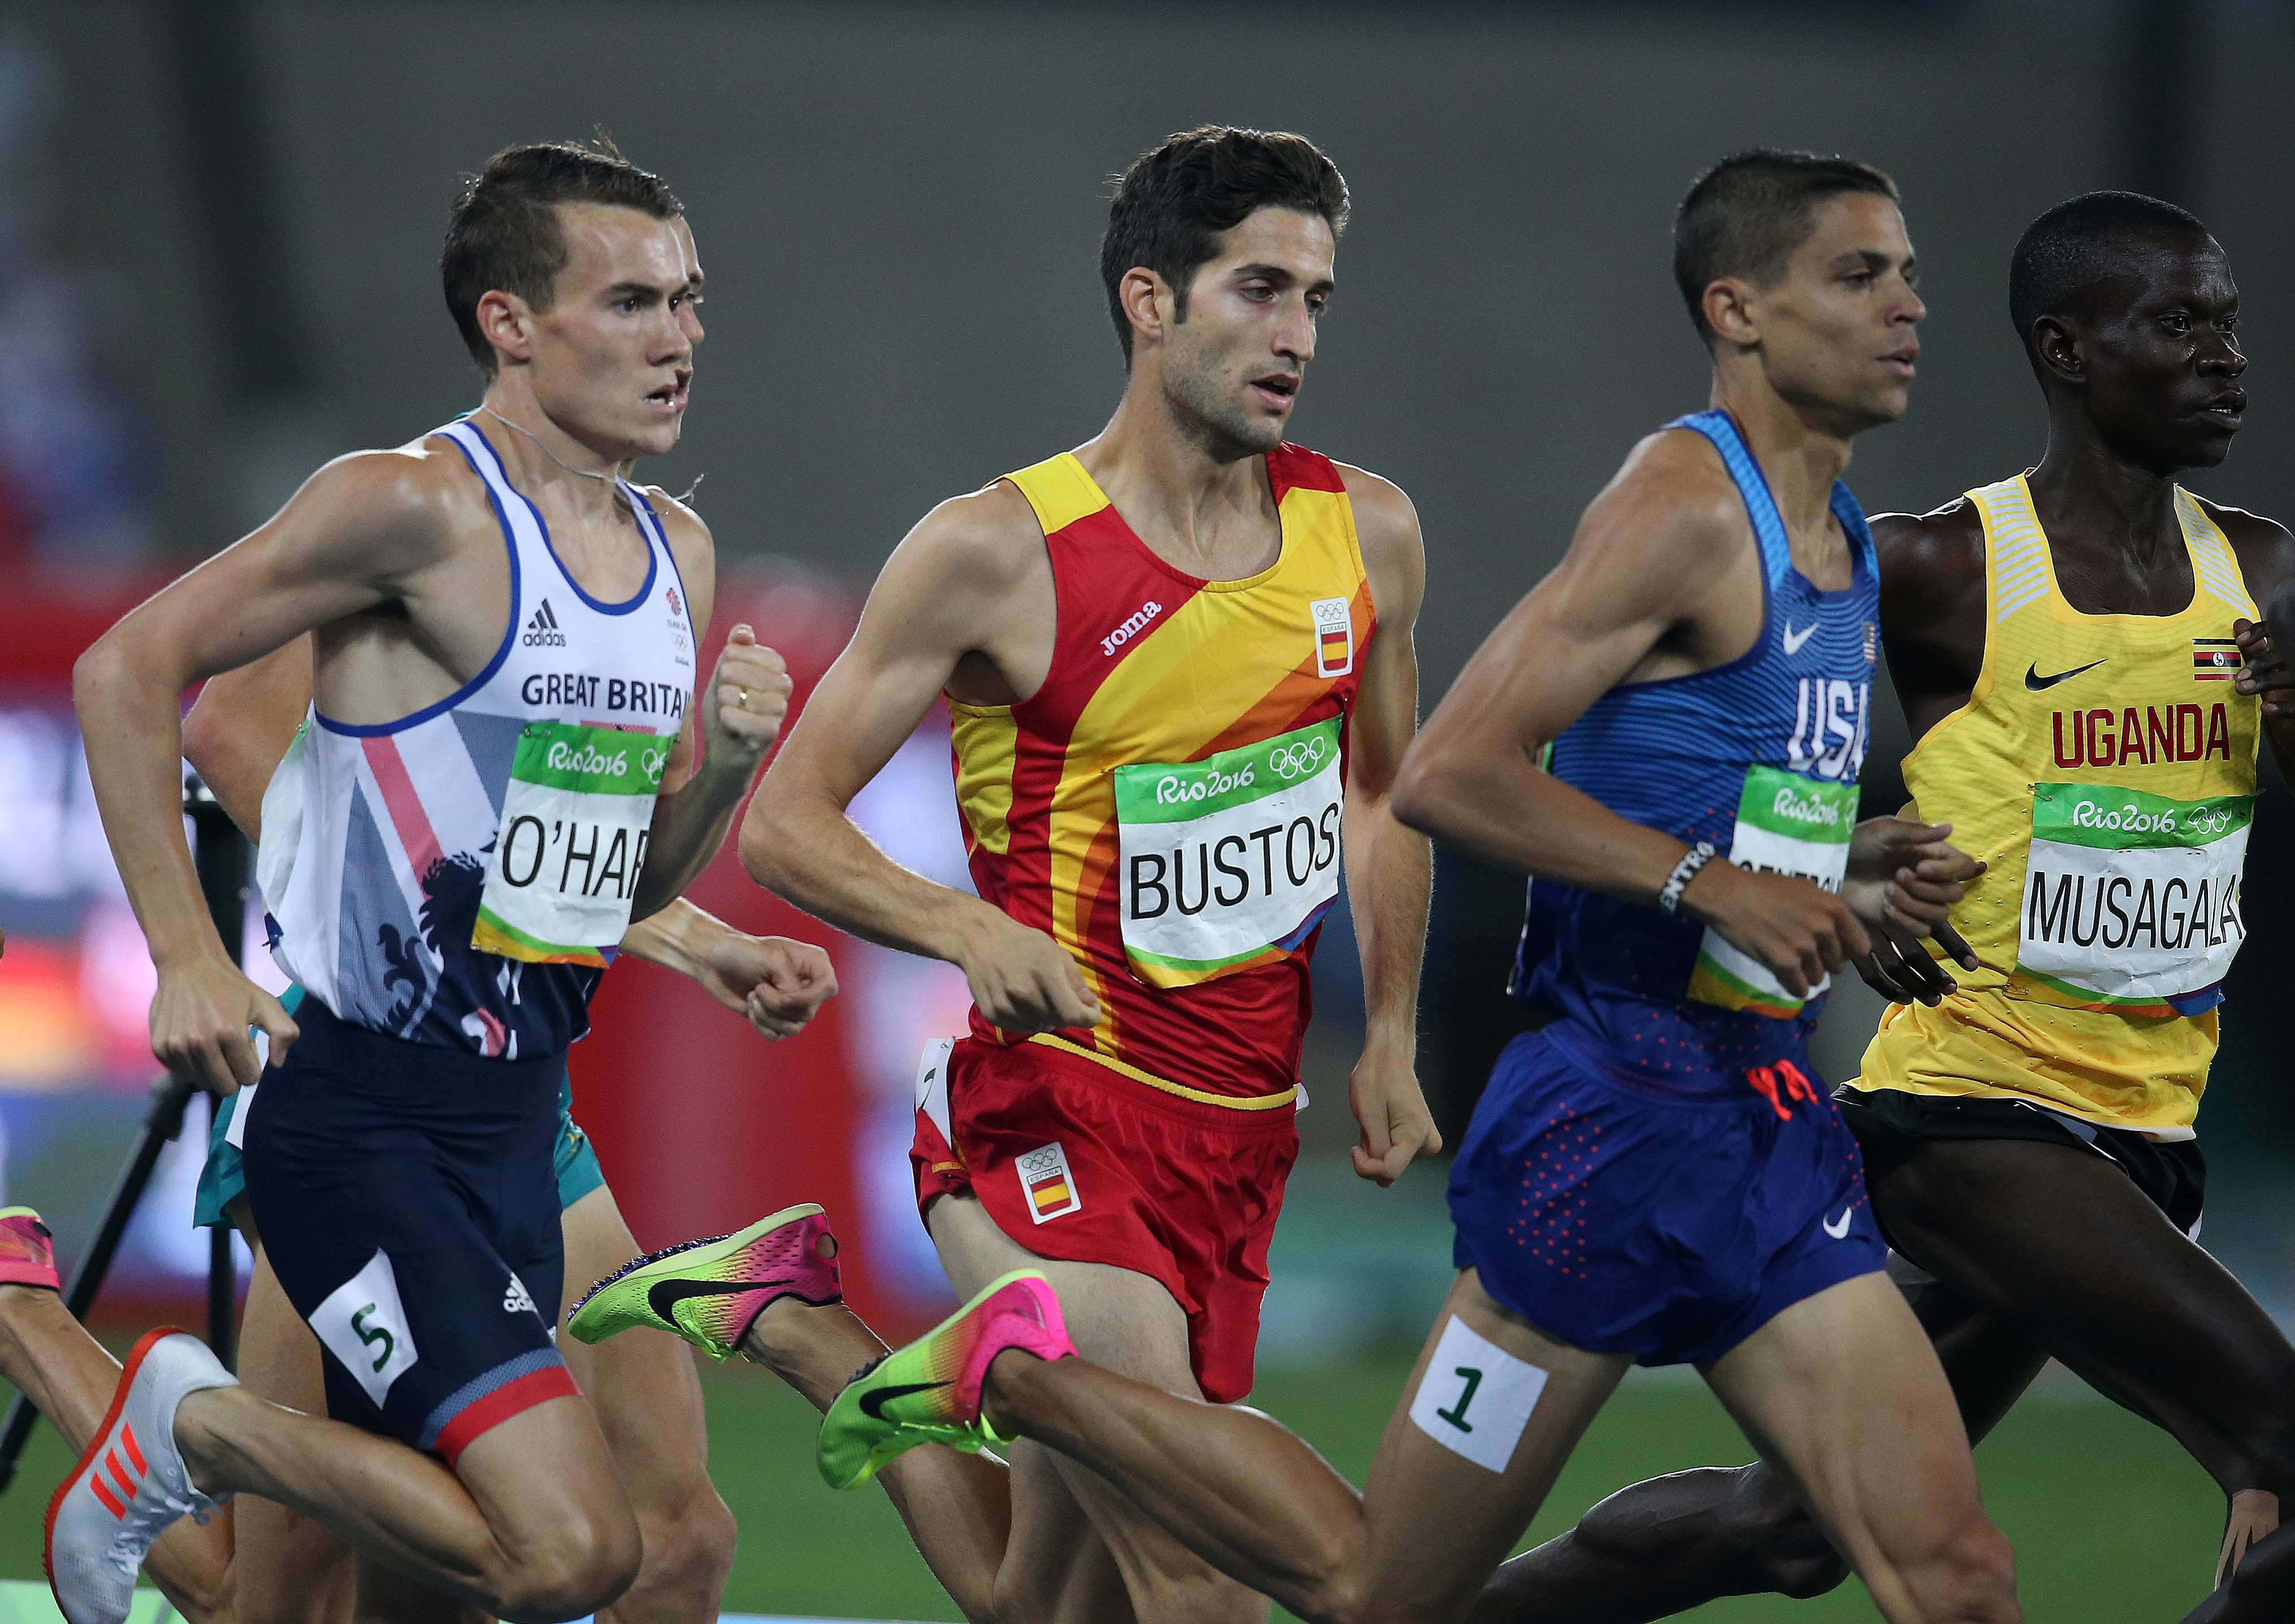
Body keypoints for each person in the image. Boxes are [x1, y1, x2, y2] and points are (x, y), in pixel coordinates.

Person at [574, 123, 1437, 1624]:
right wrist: (962, 928)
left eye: (1315, 297)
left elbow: (1380, 793)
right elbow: (788, 823)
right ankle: (913, 1333)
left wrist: (1402, 1034)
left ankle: (797, 1321)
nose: (1294, 333)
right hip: (1053, 1119)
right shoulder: (995, 550)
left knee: (1043, 1605)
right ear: (1149, 300)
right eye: (1256, 289)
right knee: (1203, 1579)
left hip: (1240, 1136)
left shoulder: (1364, 531)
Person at [1473, 190, 2295, 1624]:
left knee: (1785, 1533)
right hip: (1972, 1121)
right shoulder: (1943, 569)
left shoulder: (2263, 578)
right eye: (2179, 323)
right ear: (2067, 350)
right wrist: (1830, 867)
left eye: (2226, 321)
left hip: (2144, 1136)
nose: (2226, 355)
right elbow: (1703, 729)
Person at [44, 137, 800, 1624]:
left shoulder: (677, 554)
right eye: (634, 302)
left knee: (443, 1593)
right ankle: (191, 1426)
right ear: (510, 323)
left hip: (519, 1131)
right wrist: (191, 957)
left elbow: (589, 877)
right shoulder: (409, 507)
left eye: (690, 302)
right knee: (571, 1552)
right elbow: (129, 668)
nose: (681, 339)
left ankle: (159, 1412)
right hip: (361, 1119)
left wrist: (713, 774)